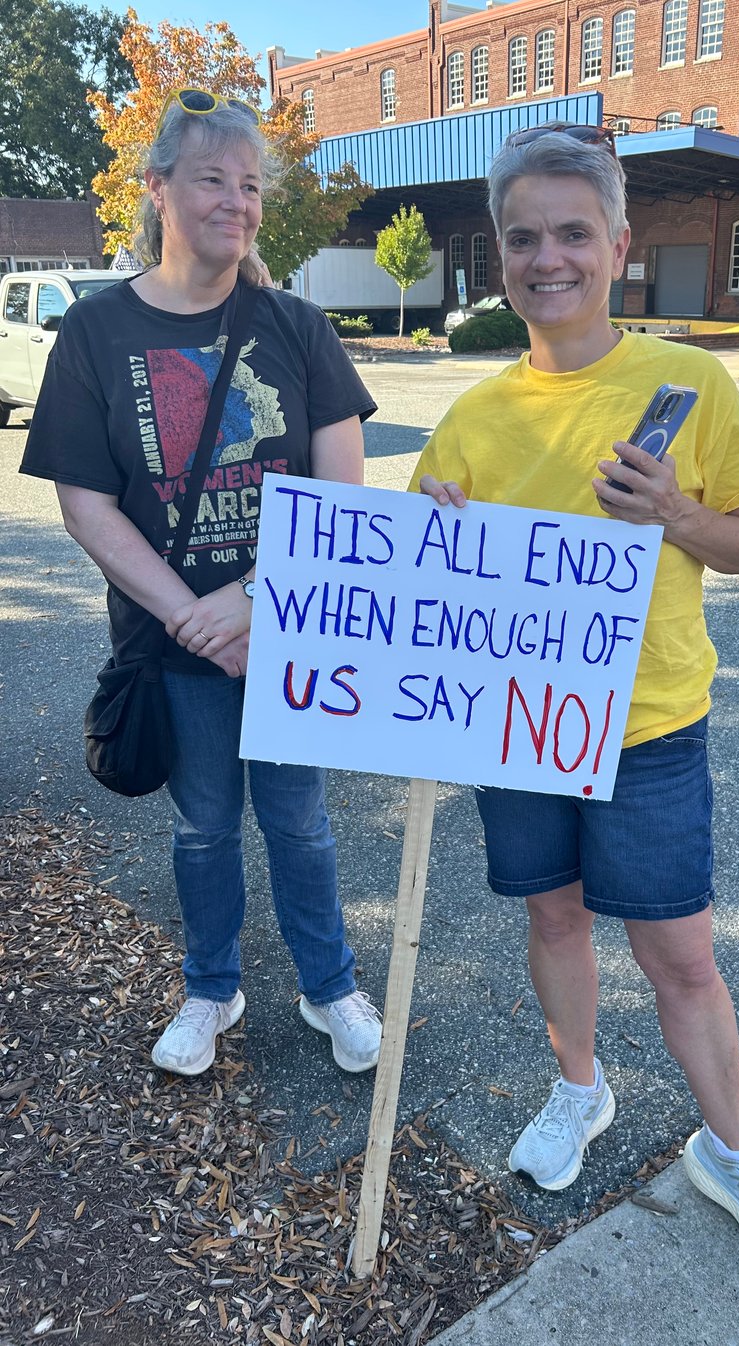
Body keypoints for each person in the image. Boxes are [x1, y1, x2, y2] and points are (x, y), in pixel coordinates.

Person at [413, 123, 739, 1277]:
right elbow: (421, 587)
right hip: (519, 725)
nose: (547, 257)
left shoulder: (686, 382)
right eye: (523, 238)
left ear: (618, 244)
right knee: (553, 919)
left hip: (646, 724)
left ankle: (734, 1147)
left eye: (571, 233)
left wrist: (679, 519)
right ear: (500, 254)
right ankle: (579, 1087)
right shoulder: (471, 417)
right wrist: (432, 546)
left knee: (683, 957)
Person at [20, 90, 382, 1078]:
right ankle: (211, 985)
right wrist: (193, 617)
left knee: (301, 822)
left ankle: (329, 982)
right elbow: (88, 505)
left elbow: (346, 491)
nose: (237, 200)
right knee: (203, 826)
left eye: (251, 184)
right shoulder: (95, 332)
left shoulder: (297, 325)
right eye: (213, 178)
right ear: (160, 190)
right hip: (174, 644)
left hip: (290, 630)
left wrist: (260, 601)